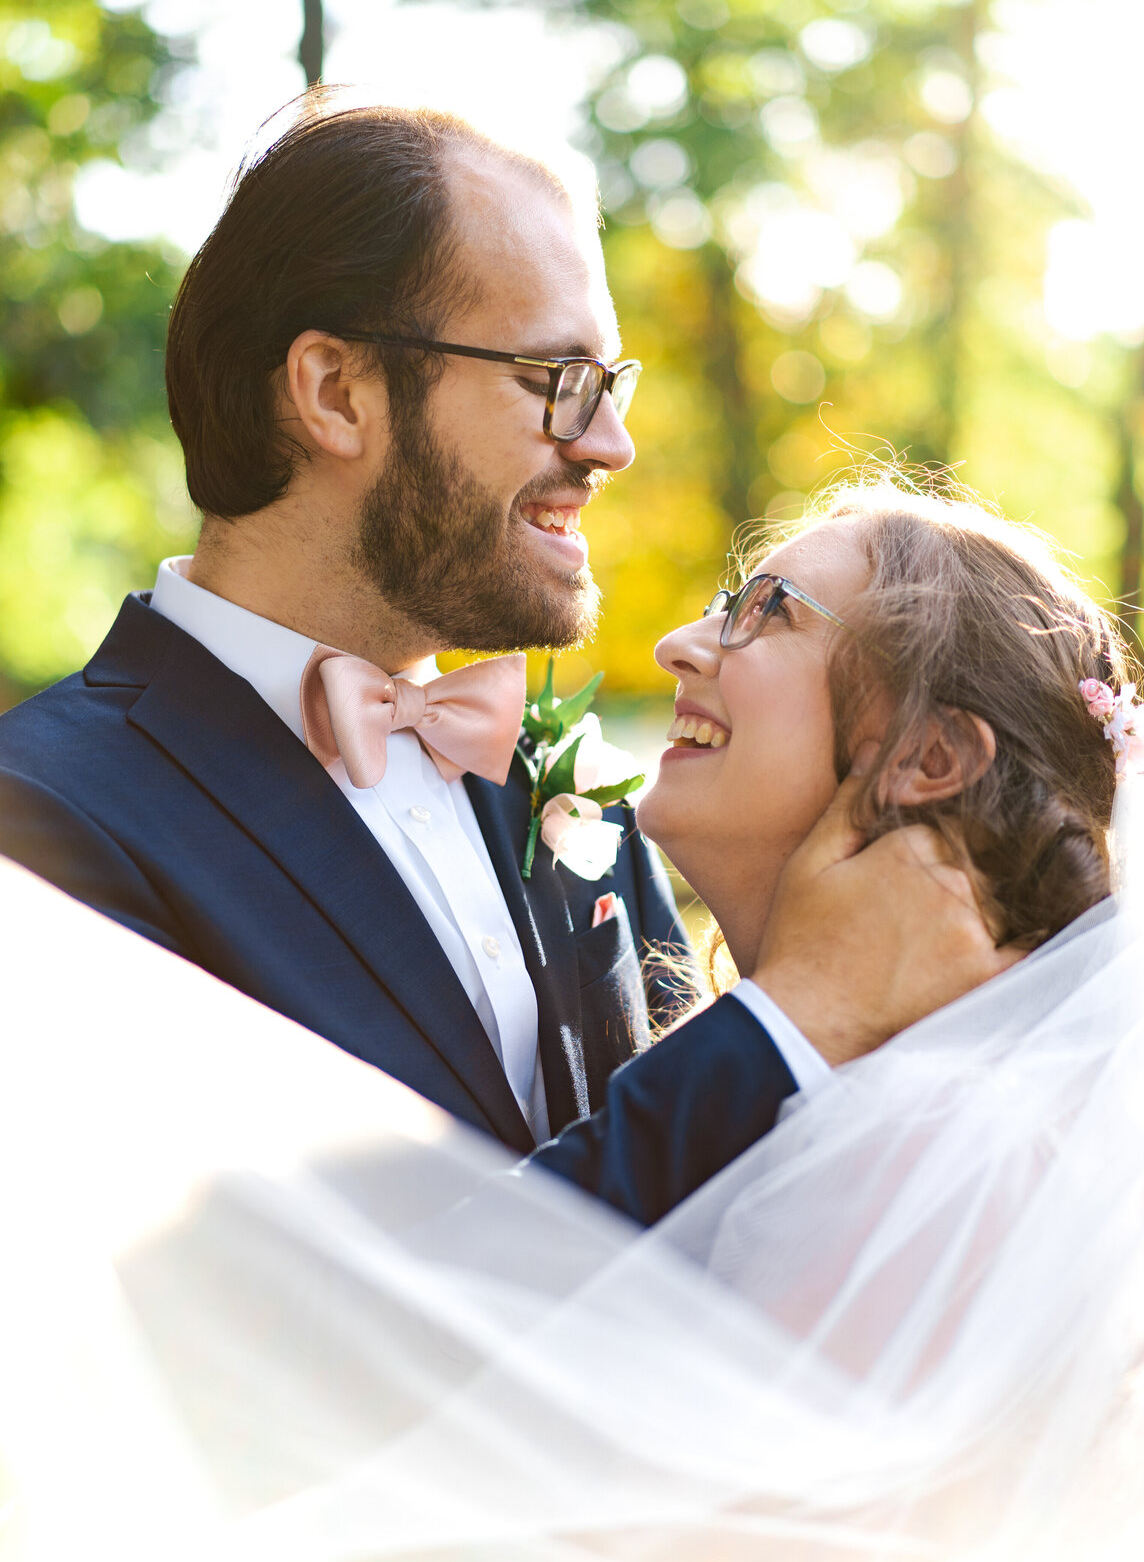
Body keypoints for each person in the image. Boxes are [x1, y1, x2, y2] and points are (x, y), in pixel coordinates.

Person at [2, 479, 1144, 1562]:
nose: (680, 641)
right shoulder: (862, 1103)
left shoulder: (935, 1165)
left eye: (764, 610)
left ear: (931, 755)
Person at [0, 98, 1001, 1222]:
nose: (609, 446)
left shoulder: (574, 796)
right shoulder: (39, 822)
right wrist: (795, 1021)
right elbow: (301, 1334)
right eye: (556, 382)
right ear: (339, 393)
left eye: (609, 388)